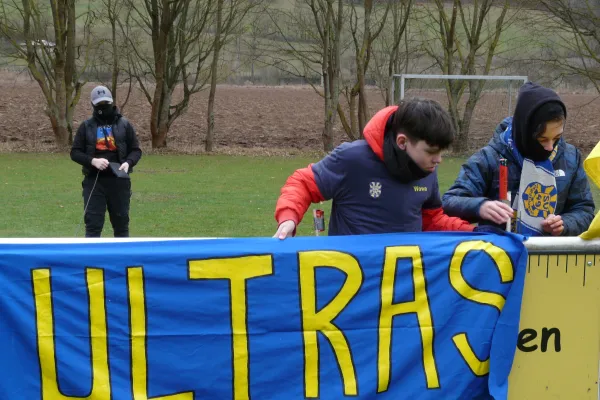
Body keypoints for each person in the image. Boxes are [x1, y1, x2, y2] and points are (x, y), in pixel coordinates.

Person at [273, 97, 495, 239]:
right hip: (350, 284)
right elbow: (302, 183)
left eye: (441, 153)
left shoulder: (426, 170)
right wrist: (289, 218)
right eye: (431, 151)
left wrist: (475, 232)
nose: (438, 160)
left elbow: (431, 220)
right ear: (402, 142)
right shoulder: (353, 158)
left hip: (403, 285)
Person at [442, 81, 594, 236]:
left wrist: (565, 224)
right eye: (542, 139)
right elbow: (449, 202)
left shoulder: (570, 157)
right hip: (502, 255)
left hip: (551, 254)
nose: (550, 147)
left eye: (557, 138)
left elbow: (584, 210)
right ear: (524, 131)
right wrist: (480, 206)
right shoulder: (489, 158)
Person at [70, 85, 142, 237]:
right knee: (93, 226)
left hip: (119, 182)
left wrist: (128, 162)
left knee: (121, 226)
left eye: (106, 103)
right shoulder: (86, 126)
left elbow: (136, 150)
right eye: (99, 104)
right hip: (94, 182)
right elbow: (75, 152)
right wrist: (92, 161)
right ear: (93, 105)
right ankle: (91, 260)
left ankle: (122, 260)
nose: (103, 107)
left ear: (111, 102)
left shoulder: (125, 124)